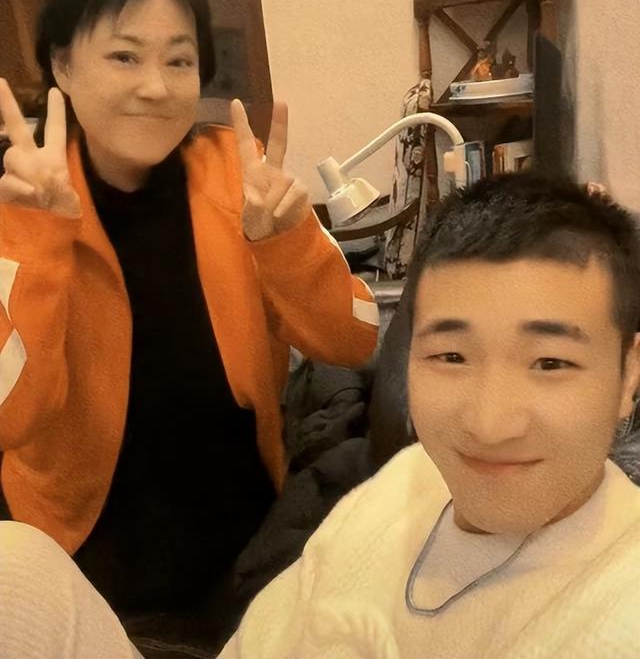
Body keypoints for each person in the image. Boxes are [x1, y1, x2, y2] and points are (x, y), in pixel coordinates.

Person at [0, 0, 378, 651]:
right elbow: (9, 414)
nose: (156, 86)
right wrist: (39, 241)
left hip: (244, 551)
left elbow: (354, 339)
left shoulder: (239, 175)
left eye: (178, 60)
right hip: (84, 563)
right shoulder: (21, 204)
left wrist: (285, 240)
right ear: (63, 66)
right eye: (124, 56)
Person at [216, 173, 640, 658]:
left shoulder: (621, 609)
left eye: (550, 363)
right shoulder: (407, 478)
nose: (489, 425)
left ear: (628, 375)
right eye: (452, 356)